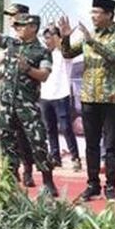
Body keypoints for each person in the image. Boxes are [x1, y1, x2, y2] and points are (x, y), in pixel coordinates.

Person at [0, 0, 57, 194]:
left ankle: (48, 182)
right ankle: (10, 179)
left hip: (28, 107)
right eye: (15, 26)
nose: (16, 28)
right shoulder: (11, 45)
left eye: (20, 26)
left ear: (33, 27)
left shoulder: (42, 52)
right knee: (7, 143)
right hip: (7, 106)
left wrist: (28, 69)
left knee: (38, 143)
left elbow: (44, 76)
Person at [59, 0, 115, 202]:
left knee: (111, 145)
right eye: (92, 12)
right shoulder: (90, 36)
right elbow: (67, 53)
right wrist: (64, 38)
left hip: (112, 98)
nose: (93, 16)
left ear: (109, 15)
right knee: (91, 144)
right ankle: (92, 185)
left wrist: (92, 41)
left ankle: (110, 186)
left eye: (97, 12)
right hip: (90, 97)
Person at [40, 26, 80, 172]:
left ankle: (75, 158)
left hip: (61, 95)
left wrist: (61, 37)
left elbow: (65, 49)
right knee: (50, 129)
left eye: (50, 37)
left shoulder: (64, 54)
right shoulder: (43, 54)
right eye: (45, 38)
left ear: (57, 38)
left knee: (66, 128)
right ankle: (55, 157)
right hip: (45, 96)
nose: (47, 41)